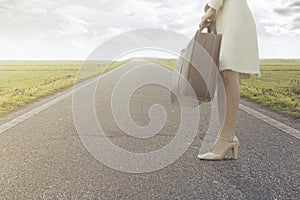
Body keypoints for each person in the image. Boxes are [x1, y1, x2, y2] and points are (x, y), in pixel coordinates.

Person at [197, 0, 261, 160]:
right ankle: (225, 135)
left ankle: (227, 137)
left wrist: (211, 9)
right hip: (224, 16)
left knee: (228, 70)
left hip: (234, 15)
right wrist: (214, 14)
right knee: (222, 75)